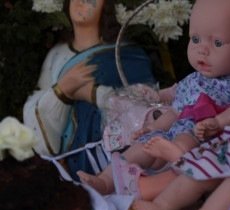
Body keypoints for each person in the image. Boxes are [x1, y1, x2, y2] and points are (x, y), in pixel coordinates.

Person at [76, 0, 230, 195]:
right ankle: (104, 181)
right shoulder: (193, 81)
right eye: (195, 39)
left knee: (187, 139)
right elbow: (177, 111)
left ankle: (177, 153)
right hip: (175, 133)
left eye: (217, 42)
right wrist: (152, 128)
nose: (202, 50)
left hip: (211, 140)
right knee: (142, 146)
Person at [23, 0, 155, 179]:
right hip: (66, 164)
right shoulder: (56, 54)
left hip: (112, 162)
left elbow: (146, 108)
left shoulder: (126, 55)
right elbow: (34, 107)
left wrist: (94, 94)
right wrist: (62, 91)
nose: (80, 2)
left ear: (107, 7)